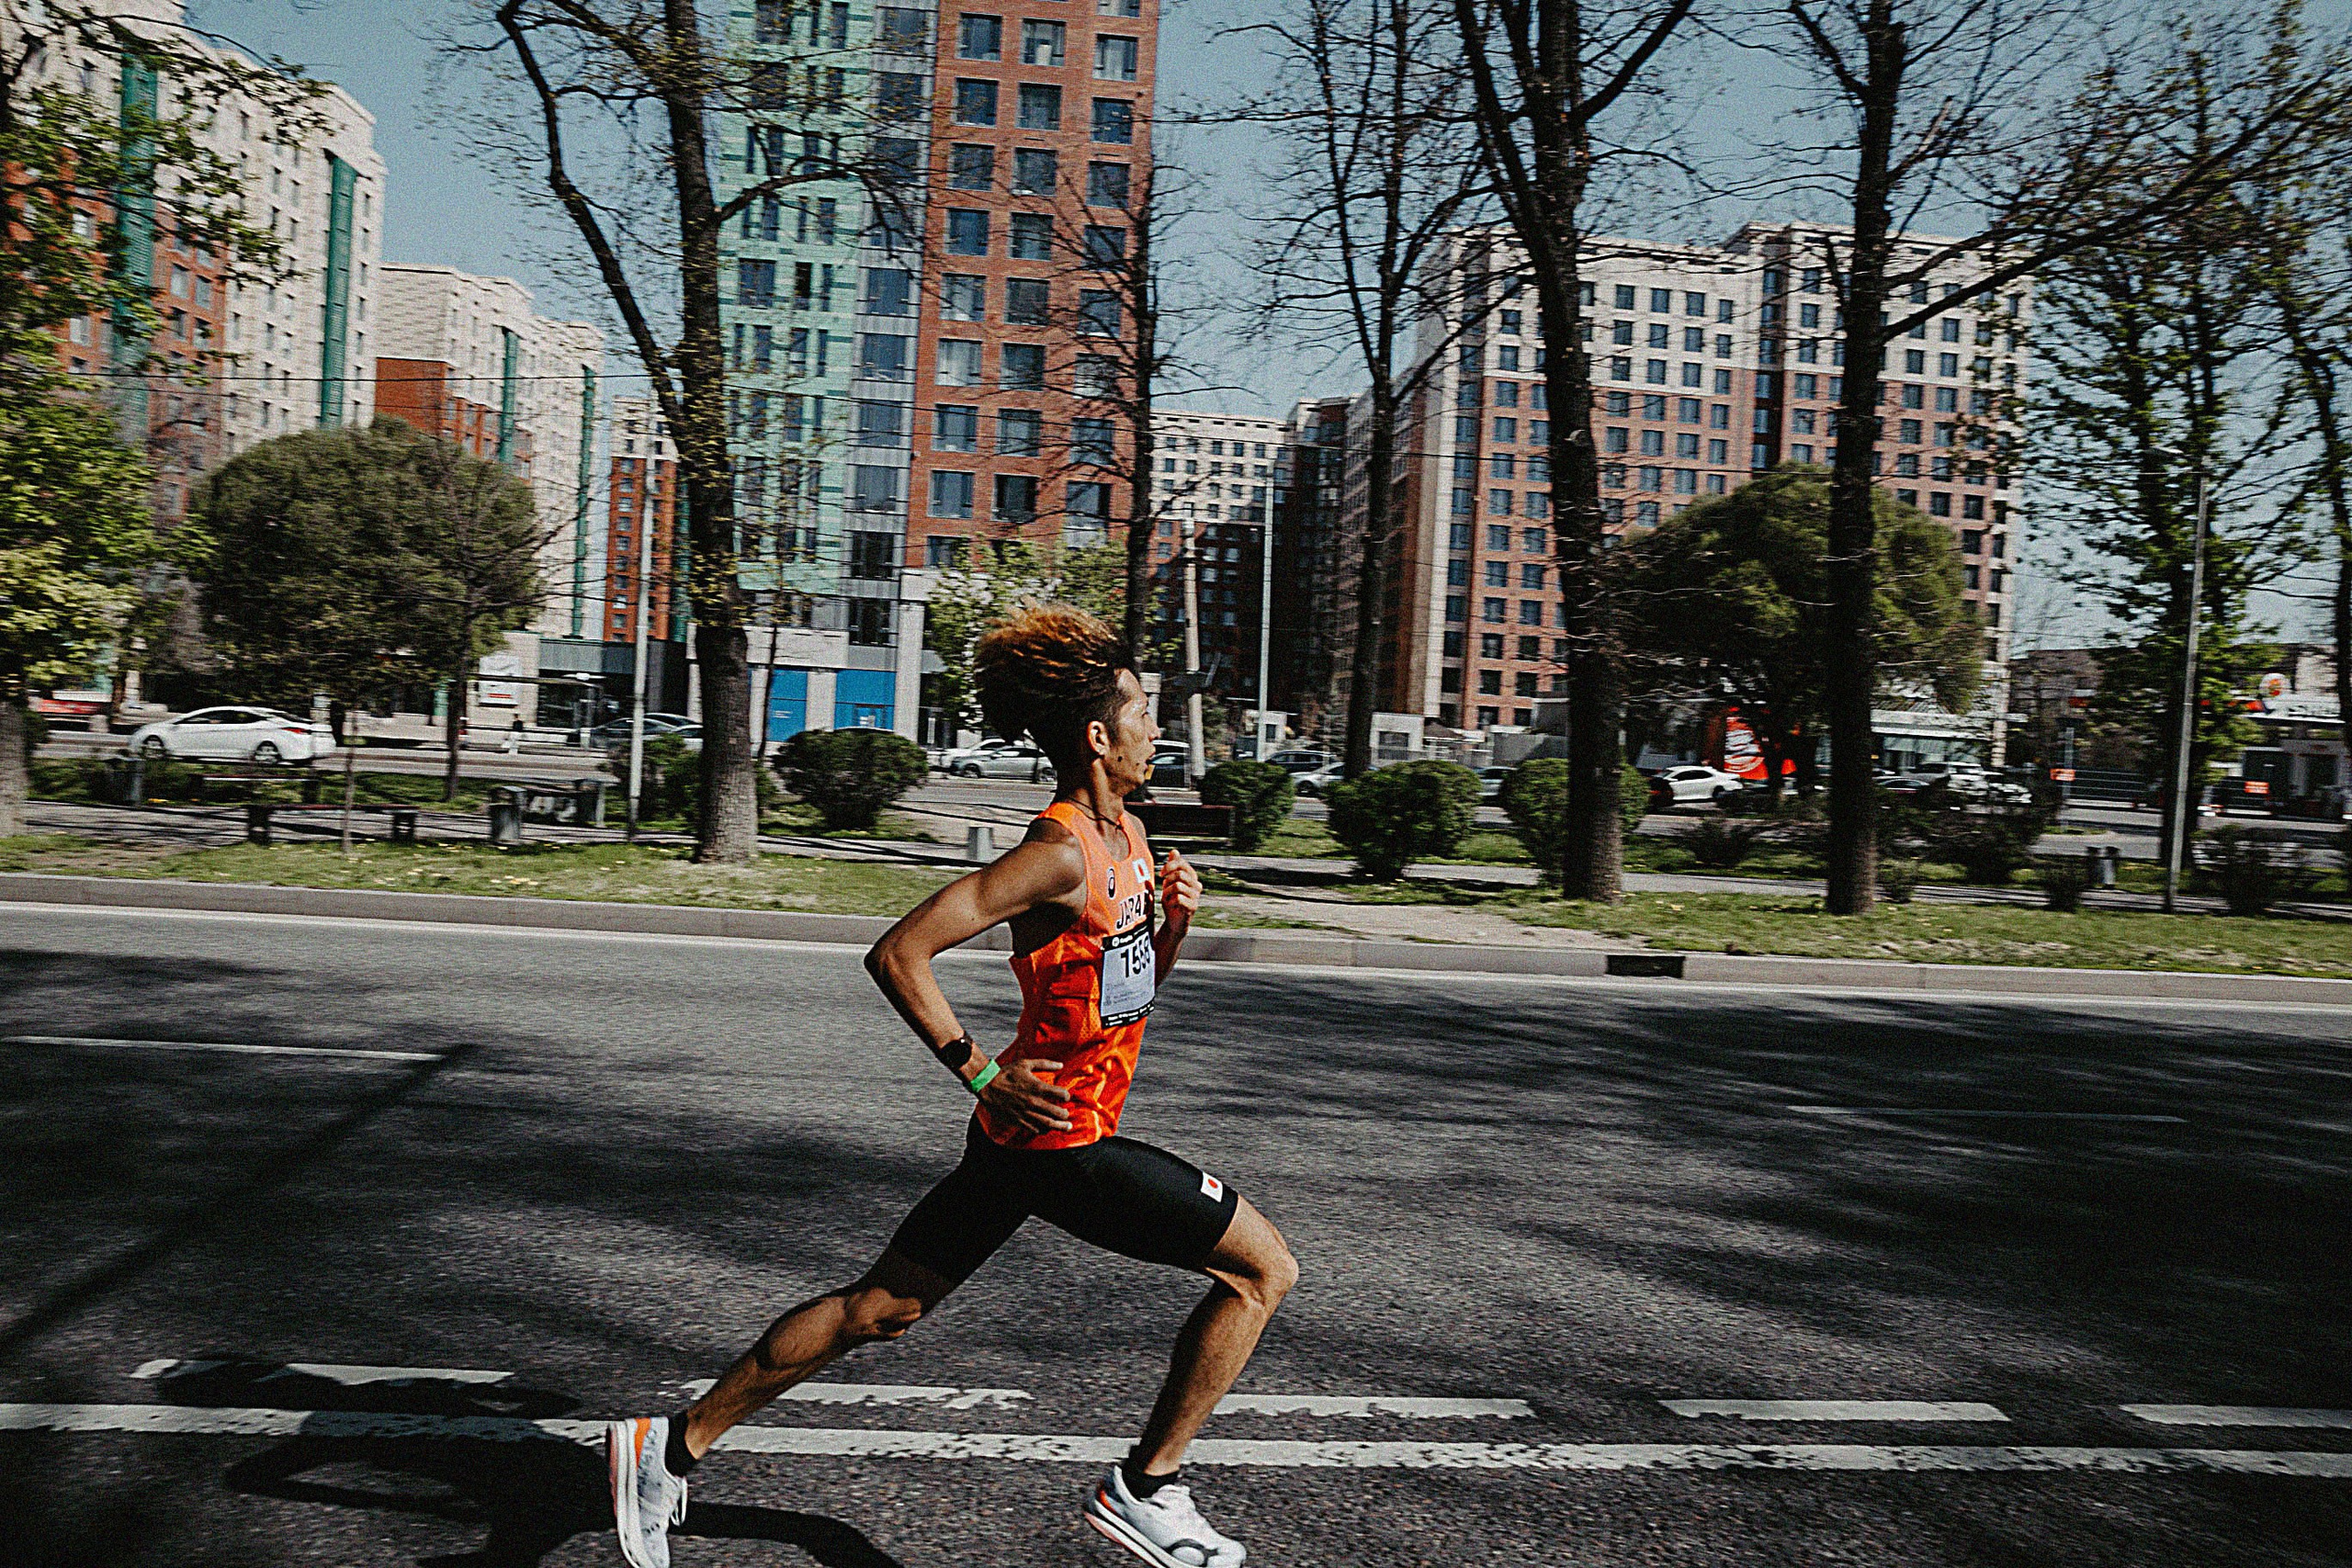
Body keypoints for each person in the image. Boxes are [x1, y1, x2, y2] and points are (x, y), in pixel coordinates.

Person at [608, 605, 1297, 1568]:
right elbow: (899, 951)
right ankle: (1146, 1488)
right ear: (1099, 736)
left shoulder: (1130, 836)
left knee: (879, 1310)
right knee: (1261, 1269)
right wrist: (977, 1069)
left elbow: (1121, 997)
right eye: (1142, 710)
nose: (1155, 727)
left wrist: (1171, 928)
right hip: (1060, 1140)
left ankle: (667, 1447)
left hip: (1031, 1142)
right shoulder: (1056, 851)